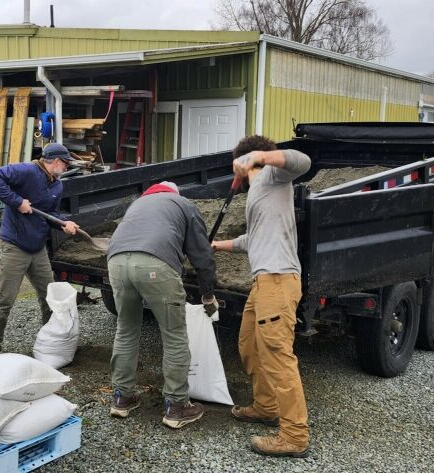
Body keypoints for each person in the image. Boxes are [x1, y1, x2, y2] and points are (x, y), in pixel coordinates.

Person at [211, 135, 312, 457]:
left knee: (277, 356)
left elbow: (302, 161)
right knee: (250, 346)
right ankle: (266, 406)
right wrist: (215, 246)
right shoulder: (258, 190)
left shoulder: (272, 175)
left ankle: (295, 437)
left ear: (243, 161)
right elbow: (251, 240)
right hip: (263, 283)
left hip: (278, 280)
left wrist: (258, 156)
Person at [106, 181, 219, 429]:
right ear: (174, 194)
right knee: (174, 335)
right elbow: (202, 256)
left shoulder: (137, 205)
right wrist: (208, 294)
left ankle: (122, 398)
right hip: (155, 265)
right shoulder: (184, 204)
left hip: (115, 262)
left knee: (125, 330)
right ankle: (177, 406)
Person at [0, 143, 81, 354]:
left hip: (38, 249)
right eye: (65, 163)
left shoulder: (57, 185)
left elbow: (50, 213)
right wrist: (17, 201)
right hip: (14, 246)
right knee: (5, 299)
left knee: (50, 297)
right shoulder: (27, 171)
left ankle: (52, 341)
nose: (66, 167)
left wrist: (64, 223)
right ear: (55, 161)